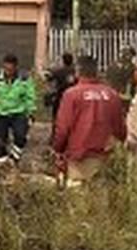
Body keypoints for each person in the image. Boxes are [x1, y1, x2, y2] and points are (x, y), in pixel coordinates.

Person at [53, 55, 126, 187]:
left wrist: (58, 150)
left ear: (77, 72)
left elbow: (63, 129)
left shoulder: (71, 94)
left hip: (79, 156)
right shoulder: (112, 94)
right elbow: (121, 129)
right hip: (105, 155)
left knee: (78, 199)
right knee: (101, 199)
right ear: (97, 71)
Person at [0, 53, 38, 165]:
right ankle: (4, 164)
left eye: (10, 69)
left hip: (18, 112)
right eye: (5, 69)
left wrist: (31, 112)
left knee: (21, 137)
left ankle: (14, 159)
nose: (8, 72)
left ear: (16, 68)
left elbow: (30, 97)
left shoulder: (24, 79)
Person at [45, 52, 77, 121]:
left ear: (63, 60)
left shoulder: (59, 71)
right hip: (74, 97)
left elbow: (49, 78)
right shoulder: (75, 72)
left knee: (57, 116)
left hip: (61, 96)